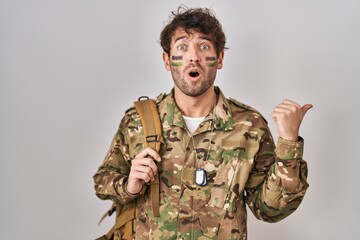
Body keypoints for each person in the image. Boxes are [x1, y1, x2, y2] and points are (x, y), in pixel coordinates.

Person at [93, 7, 312, 240]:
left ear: (219, 59)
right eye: (182, 47)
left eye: (204, 46)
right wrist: (129, 185)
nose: (193, 56)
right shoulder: (138, 121)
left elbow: (270, 210)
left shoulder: (249, 126)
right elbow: (102, 182)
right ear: (167, 60)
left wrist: (289, 143)